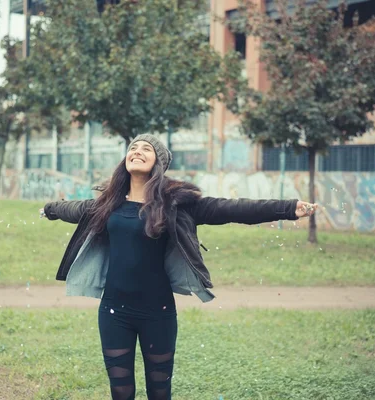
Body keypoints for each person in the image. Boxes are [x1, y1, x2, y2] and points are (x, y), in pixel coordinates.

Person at [40, 134, 317, 400]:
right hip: (114, 313)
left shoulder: (176, 205)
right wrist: (50, 209)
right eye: (133, 147)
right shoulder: (106, 204)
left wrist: (288, 208)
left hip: (157, 314)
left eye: (146, 149)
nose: (137, 151)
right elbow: (72, 210)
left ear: (158, 162)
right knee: (120, 392)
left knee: (160, 392)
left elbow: (232, 208)